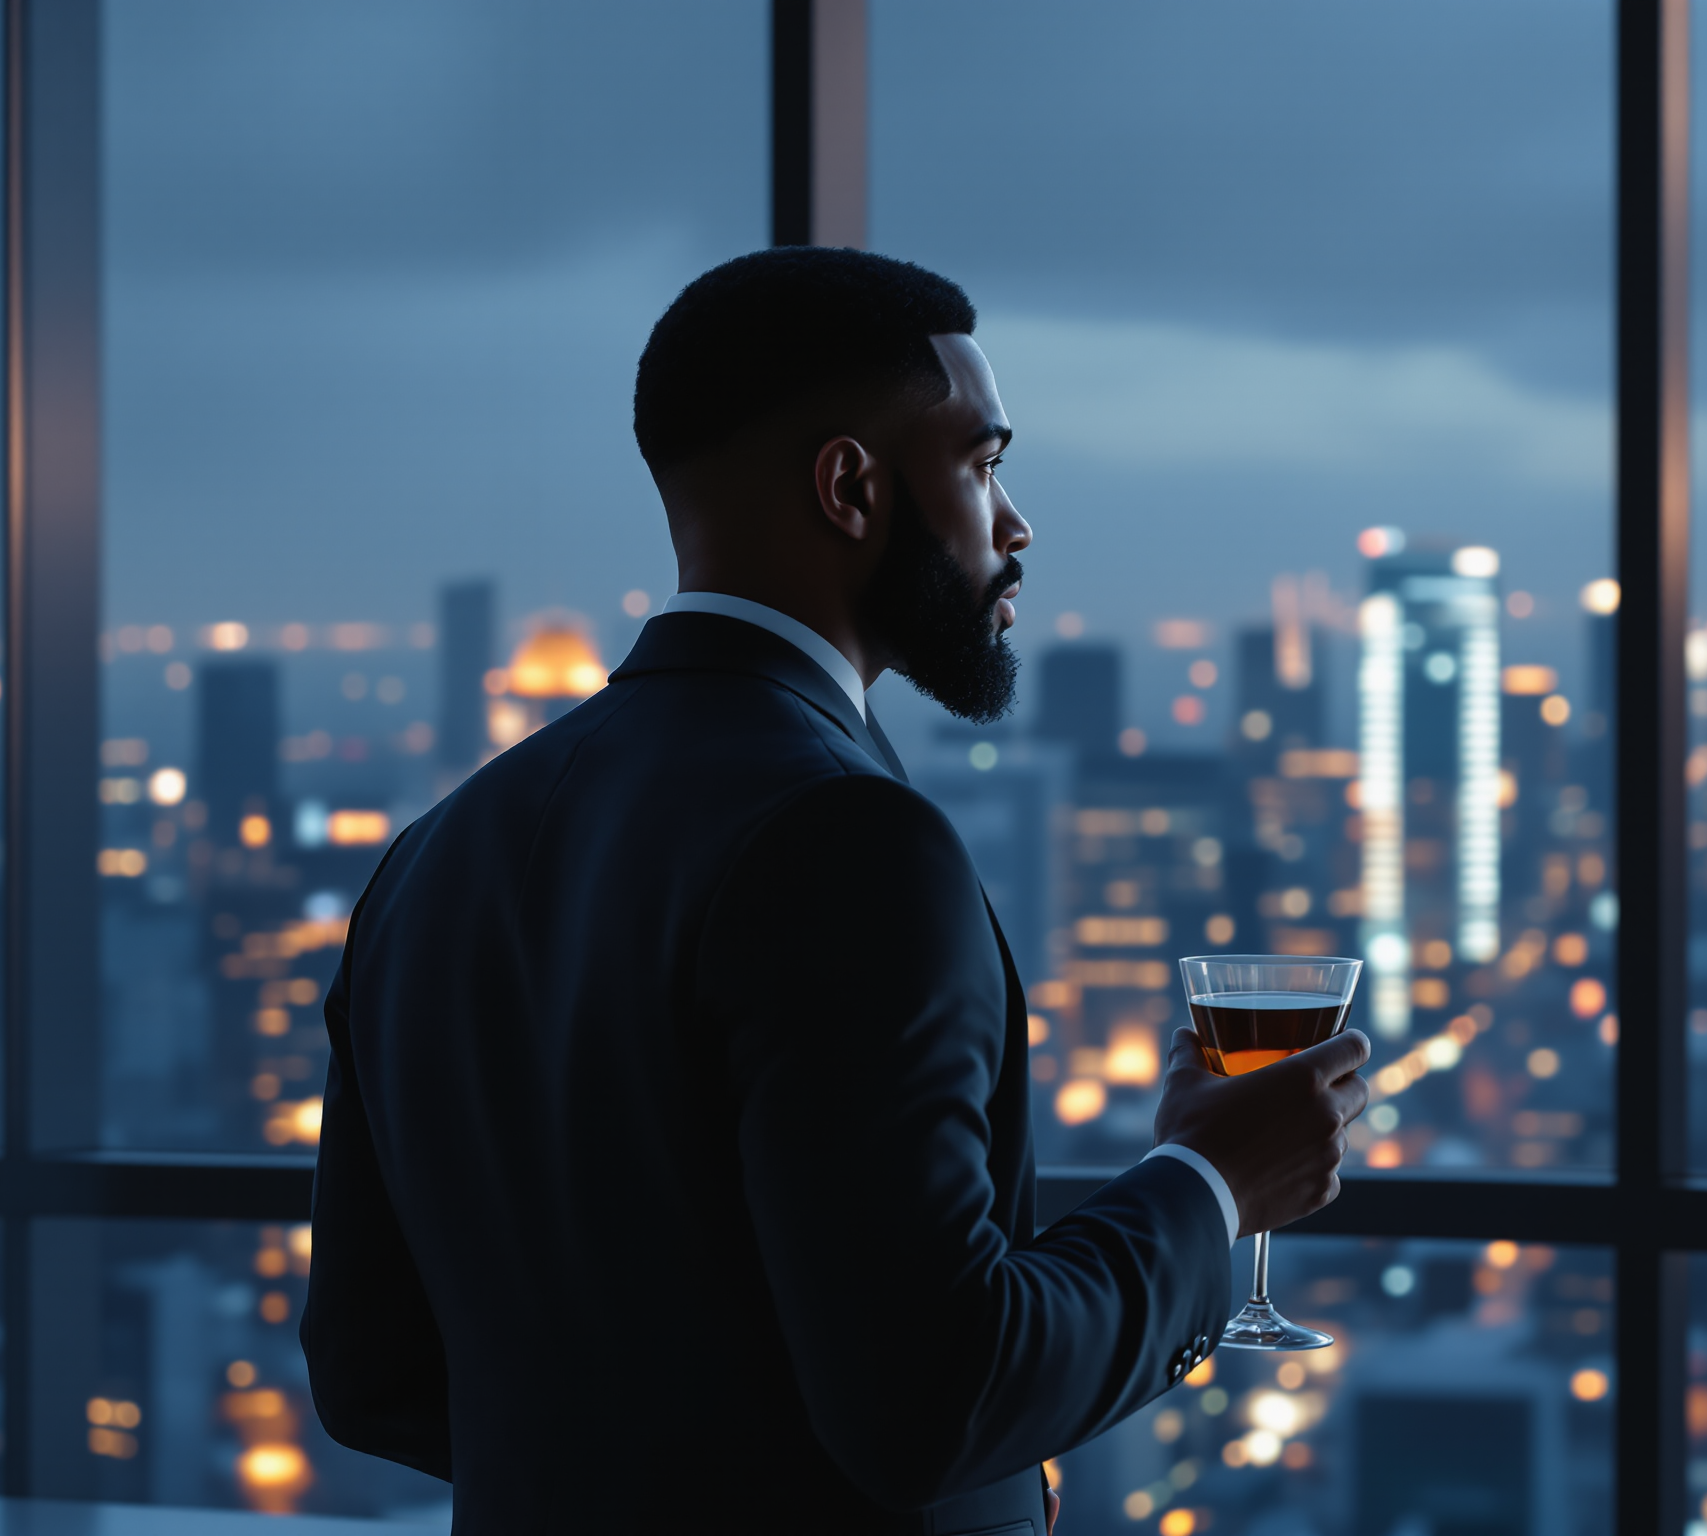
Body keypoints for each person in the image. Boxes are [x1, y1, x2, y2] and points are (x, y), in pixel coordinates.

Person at [301, 247, 1372, 1533]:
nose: (1015, 524)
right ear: (850, 486)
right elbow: (941, 1395)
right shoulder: (851, 840)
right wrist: (1208, 1186)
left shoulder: (432, 855)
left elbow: (372, 1378)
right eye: (981, 466)